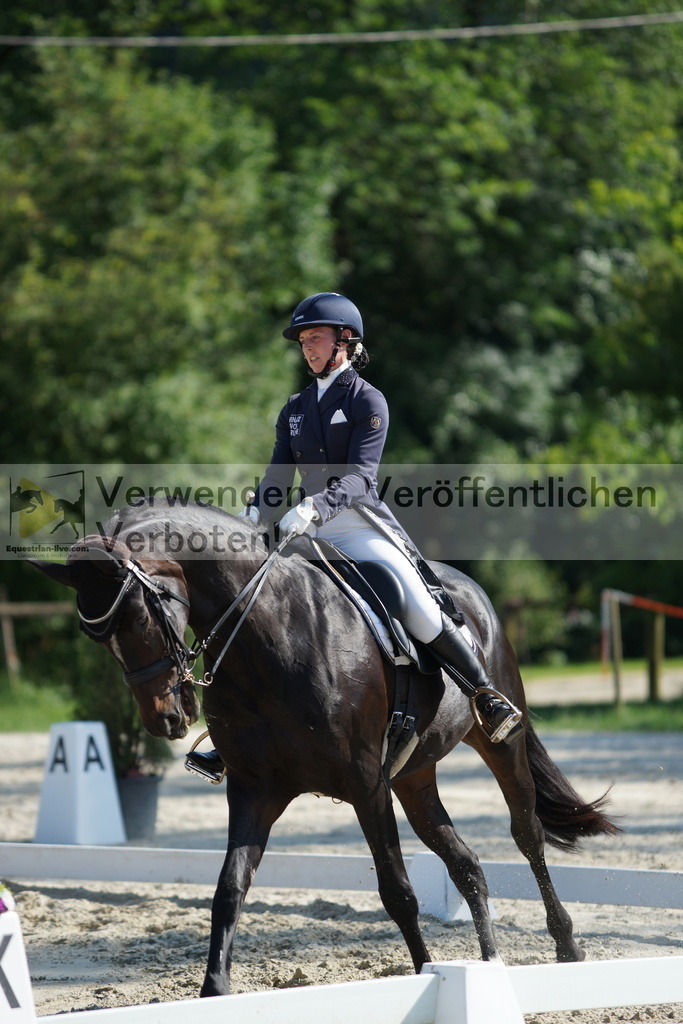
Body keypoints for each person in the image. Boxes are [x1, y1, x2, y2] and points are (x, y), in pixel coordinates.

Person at [185, 293, 522, 782]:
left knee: (414, 600)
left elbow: (363, 477)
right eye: (303, 340)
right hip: (301, 528)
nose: (307, 348)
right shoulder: (296, 408)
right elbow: (278, 474)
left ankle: (485, 695)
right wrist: (253, 512)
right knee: (254, 602)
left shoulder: (367, 400)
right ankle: (231, 732)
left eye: (315, 337)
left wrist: (315, 506)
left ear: (346, 340)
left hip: (356, 524)